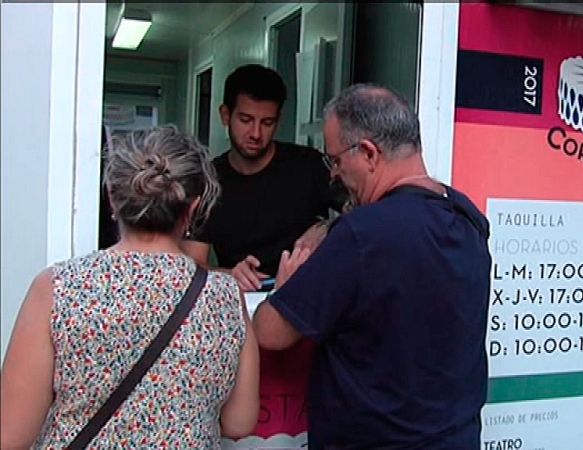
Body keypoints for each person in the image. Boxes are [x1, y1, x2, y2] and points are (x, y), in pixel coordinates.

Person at [253, 84, 492, 449]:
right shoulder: (468, 218)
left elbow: (271, 332)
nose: (333, 175)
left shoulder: (362, 235)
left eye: (335, 160)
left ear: (368, 153)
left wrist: (285, 288)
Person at [0, 126, 259, 448]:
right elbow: (239, 420)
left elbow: (11, 435)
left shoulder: (58, 287)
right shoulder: (224, 297)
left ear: (112, 197)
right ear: (193, 209)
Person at [181, 64, 337, 448]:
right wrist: (227, 274)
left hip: (305, 322)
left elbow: (361, 213)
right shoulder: (209, 180)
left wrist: (325, 228)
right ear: (225, 115)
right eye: (246, 120)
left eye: (267, 123)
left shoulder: (309, 167)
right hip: (240, 325)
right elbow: (191, 266)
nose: (255, 133)